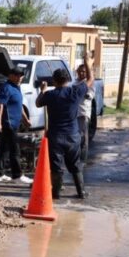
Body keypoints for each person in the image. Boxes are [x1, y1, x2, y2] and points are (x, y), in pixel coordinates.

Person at [35, 55, 92, 199]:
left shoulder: (50, 95)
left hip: (55, 137)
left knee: (57, 167)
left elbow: (37, 103)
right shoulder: (75, 92)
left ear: (54, 81)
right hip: (73, 136)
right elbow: (90, 81)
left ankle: (56, 193)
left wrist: (42, 90)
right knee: (75, 165)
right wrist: (88, 63)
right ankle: (81, 192)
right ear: (68, 80)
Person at [0, 66, 33, 184]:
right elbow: (0, 105)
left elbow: (19, 105)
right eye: (17, 75)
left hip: (15, 123)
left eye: (21, 75)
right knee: (15, 149)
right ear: (10, 75)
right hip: (8, 123)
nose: (19, 77)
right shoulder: (7, 87)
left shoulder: (17, 88)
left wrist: (26, 119)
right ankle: (17, 175)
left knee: (3, 149)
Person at [75, 63, 95, 167]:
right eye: (80, 71)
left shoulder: (88, 83)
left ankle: (83, 159)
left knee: (83, 138)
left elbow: (90, 94)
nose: (82, 73)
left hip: (83, 113)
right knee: (75, 137)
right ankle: (75, 158)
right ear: (77, 72)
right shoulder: (74, 83)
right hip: (74, 113)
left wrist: (85, 93)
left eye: (84, 71)